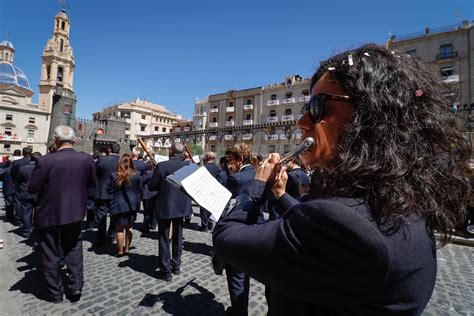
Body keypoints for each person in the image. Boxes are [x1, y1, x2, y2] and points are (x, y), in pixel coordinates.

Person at [213, 44, 470, 315]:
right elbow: (316, 227)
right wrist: (279, 194)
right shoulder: (399, 199)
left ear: (370, 115)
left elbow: (227, 239)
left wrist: (256, 185)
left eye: (316, 106)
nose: (301, 121)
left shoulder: (347, 224)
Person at [28, 126, 96, 303]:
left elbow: (32, 187)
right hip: (74, 212)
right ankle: (76, 288)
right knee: (74, 248)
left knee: (49, 253)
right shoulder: (86, 159)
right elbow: (91, 184)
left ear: (55, 141)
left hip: (48, 213)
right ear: (74, 140)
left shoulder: (45, 161)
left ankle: (55, 293)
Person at [149, 143, 193, 282]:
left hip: (165, 205)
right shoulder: (187, 167)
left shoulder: (162, 166)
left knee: (163, 237)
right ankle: (176, 265)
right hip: (181, 206)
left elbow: (152, 186)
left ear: (171, 151)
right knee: (178, 237)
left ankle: (165, 270)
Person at [222, 143, 257, 316]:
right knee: (245, 275)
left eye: (231, 160)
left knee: (236, 276)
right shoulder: (258, 173)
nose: (229, 164)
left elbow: (224, 203)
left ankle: (238, 311)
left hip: (237, 230)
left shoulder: (235, 178)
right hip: (255, 229)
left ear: (240, 158)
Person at [107, 154, 142, 256]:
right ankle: (127, 249)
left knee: (119, 229)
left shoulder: (114, 175)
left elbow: (109, 190)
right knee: (129, 227)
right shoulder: (137, 174)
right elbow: (140, 189)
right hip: (132, 205)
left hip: (118, 205)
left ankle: (120, 251)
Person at [94, 143, 121, 245]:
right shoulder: (121, 161)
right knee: (115, 215)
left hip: (103, 192)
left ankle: (101, 238)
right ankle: (111, 236)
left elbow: (95, 173)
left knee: (102, 215)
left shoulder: (102, 160)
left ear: (110, 150)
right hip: (117, 192)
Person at [16, 152, 42, 238]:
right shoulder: (43, 168)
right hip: (39, 193)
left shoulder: (23, 168)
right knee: (39, 213)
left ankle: (27, 230)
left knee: (26, 212)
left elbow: (18, 180)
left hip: (26, 192)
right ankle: (37, 229)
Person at [199, 151, 220, 232]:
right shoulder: (218, 168)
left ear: (207, 157)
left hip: (204, 190)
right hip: (214, 190)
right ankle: (210, 224)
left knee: (204, 209)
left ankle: (204, 226)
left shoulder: (204, 167)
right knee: (211, 207)